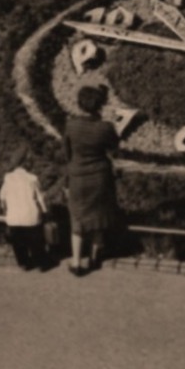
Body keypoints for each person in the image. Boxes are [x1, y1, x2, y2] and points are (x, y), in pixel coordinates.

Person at [63, 84, 125, 277]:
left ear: (80, 104)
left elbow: (67, 153)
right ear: (100, 105)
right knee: (99, 216)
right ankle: (95, 257)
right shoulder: (105, 127)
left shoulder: (71, 125)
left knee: (78, 219)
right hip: (100, 177)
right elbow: (114, 149)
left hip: (78, 177)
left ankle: (76, 263)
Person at [0, 154, 48, 271]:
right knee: (35, 242)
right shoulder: (33, 178)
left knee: (18, 243)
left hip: (14, 218)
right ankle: (40, 263)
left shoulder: (8, 178)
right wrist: (45, 212)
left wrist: (5, 211)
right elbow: (40, 198)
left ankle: (24, 263)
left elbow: (2, 197)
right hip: (31, 216)